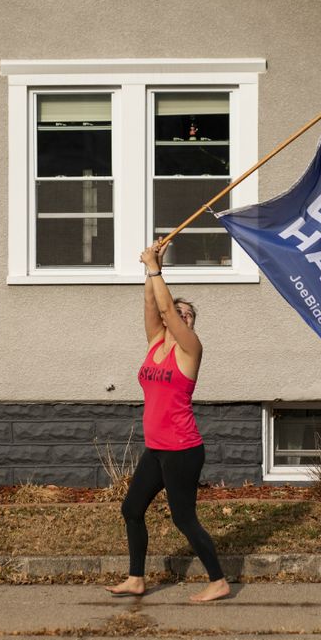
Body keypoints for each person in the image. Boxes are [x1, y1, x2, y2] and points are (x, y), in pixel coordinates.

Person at [105, 242, 230, 603]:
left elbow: (166, 310)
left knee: (183, 518)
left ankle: (218, 581)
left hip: (182, 449)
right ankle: (136, 578)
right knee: (131, 509)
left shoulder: (191, 349)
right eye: (178, 312)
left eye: (187, 314)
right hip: (157, 449)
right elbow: (153, 306)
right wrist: (151, 269)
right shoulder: (156, 342)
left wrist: (157, 269)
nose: (181, 316)